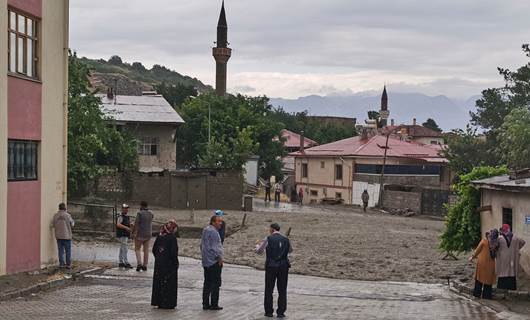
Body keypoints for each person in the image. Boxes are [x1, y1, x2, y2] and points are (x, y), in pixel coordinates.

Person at [255, 223, 292, 318]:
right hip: (283, 266)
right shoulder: (285, 239)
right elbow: (290, 250)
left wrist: (257, 246)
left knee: (269, 289)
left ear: (272, 229)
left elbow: (259, 251)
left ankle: (269, 311)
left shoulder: (268, 238)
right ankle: (281, 312)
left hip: (271, 265)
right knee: (282, 289)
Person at [151, 220, 179, 309]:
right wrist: (175, 264)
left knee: (159, 283)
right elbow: (173, 253)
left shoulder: (160, 236)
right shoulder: (172, 238)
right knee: (168, 284)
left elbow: (154, 249)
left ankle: (159, 301)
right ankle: (168, 303)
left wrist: (159, 258)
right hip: (169, 265)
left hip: (159, 264)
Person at [200, 215, 224, 311]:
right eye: (219, 221)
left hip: (206, 261)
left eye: (221, 221)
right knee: (215, 283)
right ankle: (214, 304)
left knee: (207, 283)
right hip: (213, 261)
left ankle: (205, 303)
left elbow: (202, 245)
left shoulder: (206, 230)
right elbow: (215, 248)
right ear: (213, 222)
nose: (220, 223)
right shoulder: (213, 232)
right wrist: (219, 258)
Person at [468, 229, 498, 299]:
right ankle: (486, 296)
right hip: (491, 264)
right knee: (488, 281)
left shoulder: (484, 241)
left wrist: (472, 257)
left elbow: (477, 250)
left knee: (479, 279)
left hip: (482, 263)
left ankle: (477, 294)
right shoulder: (496, 243)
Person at [496, 224, 526, 290]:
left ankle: (502, 289)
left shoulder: (499, 238)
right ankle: (512, 288)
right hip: (512, 259)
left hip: (503, 260)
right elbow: (523, 242)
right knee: (512, 273)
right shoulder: (515, 238)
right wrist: (516, 248)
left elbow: (494, 246)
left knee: (502, 273)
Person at [132, 201, 154, 272]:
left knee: (137, 248)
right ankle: (145, 265)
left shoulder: (139, 213)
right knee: (146, 250)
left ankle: (139, 263)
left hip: (140, 234)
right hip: (148, 234)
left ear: (141, 206)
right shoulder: (151, 213)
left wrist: (134, 232)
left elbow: (136, 223)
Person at [52, 203, 75, 269]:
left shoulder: (55, 215)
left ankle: (61, 264)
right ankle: (68, 265)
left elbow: (53, 225)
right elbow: (72, 224)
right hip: (67, 236)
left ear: (59, 208)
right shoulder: (68, 215)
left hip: (58, 236)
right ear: (65, 208)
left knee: (60, 251)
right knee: (68, 251)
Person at [116, 203, 133, 269]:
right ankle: (126, 262)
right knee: (125, 249)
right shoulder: (121, 216)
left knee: (122, 248)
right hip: (122, 234)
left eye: (127, 208)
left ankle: (121, 262)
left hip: (125, 234)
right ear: (122, 209)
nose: (126, 209)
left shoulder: (126, 216)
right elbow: (118, 224)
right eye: (125, 208)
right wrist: (126, 227)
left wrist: (130, 225)